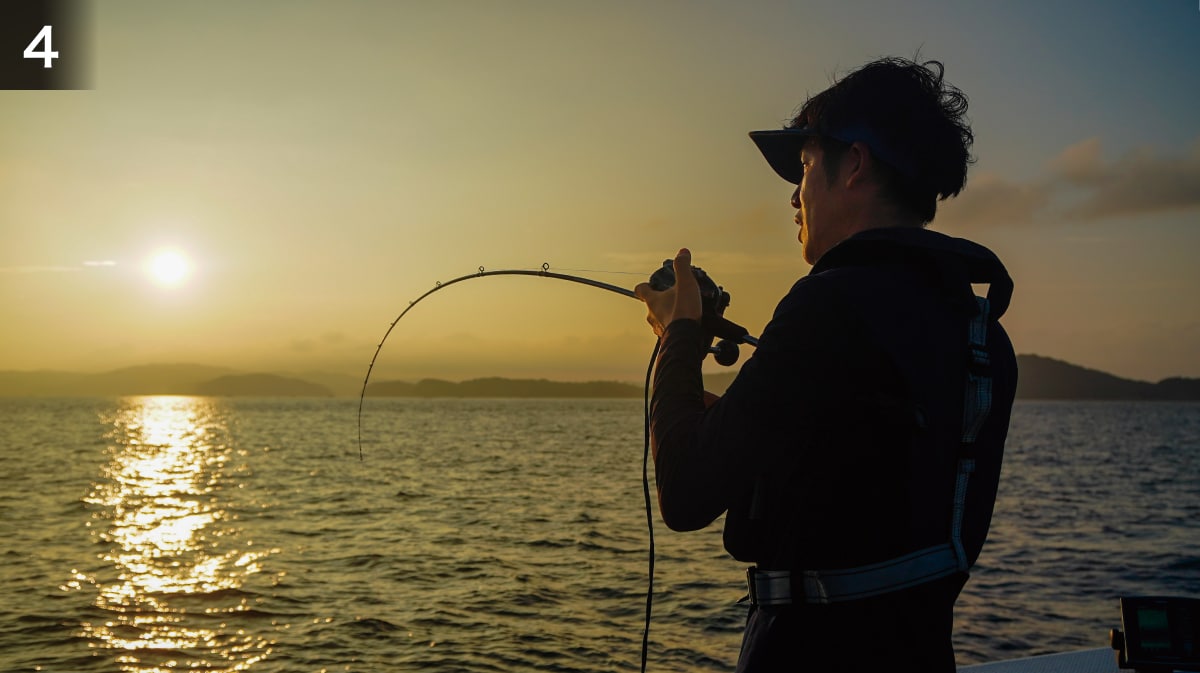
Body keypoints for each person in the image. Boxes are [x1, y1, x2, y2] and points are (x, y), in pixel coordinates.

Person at [634, 57, 1018, 672]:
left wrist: (677, 332)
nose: (794, 193)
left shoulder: (827, 304)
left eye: (807, 164)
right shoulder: (982, 335)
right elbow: (870, 484)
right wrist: (730, 420)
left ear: (855, 164)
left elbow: (685, 494)